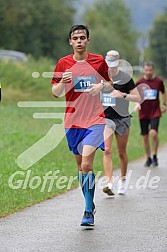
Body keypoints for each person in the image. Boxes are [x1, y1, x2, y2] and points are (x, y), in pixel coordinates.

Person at [51, 25, 112, 226]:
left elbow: (110, 84)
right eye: (75, 38)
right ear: (70, 42)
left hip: (95, 120)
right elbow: (56, 92)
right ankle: (90, 202)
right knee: (80, 167)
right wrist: (63, 82)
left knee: (87, 163)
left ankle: (87, 211)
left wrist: (100, 86)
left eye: (82, 37)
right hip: (72, 122)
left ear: (88, 41)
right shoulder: (63, 63)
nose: (79, 41)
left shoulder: (98, 61)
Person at [102, 50, 140, 195]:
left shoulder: (125, 78)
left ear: (118, 63)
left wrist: (122, 95)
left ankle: (122, 180)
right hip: (107, 118)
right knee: (107, 150)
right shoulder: (101, 77)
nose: (110, 68)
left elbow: (137, 97)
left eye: (113, 65)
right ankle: (109, 183)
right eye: (108, 65)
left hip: (123, 118)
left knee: (121, 152)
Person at [136, 61, 166, 167]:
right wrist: (136, 104)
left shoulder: (158, 81)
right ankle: (148, 157)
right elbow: (135, 95)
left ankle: (155, 155)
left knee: (153, 133)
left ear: (153, 70)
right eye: (146, 70)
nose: (148, 72)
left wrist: (164, 104)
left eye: (150, 70)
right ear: (144, 70)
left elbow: (163, 92)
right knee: (145, 137)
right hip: (143, 113)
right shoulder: (139, 82)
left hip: (155, 112)